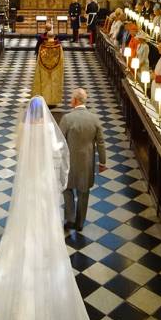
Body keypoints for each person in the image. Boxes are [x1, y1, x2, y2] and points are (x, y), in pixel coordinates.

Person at [0, 96, 91, 320]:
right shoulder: (49, 131)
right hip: (43, 181)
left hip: (27, 182)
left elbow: (18, 149)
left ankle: (23, 247)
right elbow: (59, 154)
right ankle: (44, 248)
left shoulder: (24, 128)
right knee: (44, 214)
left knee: (24, 216)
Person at [60, 88, 106, 232]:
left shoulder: (67, 119)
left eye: (71, 98)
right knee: (84, 192)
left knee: (67, 190)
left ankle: (70, 219)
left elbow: (60, 141)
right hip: (87, 163)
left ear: (75, 101)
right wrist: (103, 162)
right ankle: (80, 223)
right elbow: (101, 142)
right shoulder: (94, 119)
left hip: (69, 163)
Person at [32, 32, 64, 107]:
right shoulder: (59, 47)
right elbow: (61, 59)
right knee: (53, 83)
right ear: (54, 36)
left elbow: (39, 59)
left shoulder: (42, 46)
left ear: (46, 36)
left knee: (45, 84)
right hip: (55, 69)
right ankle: (53, 102)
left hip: (44, 69)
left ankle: (45, 100)